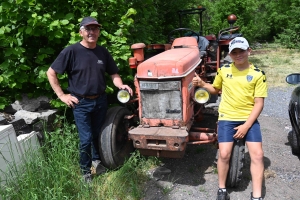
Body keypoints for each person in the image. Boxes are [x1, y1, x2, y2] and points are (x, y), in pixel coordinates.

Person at [46, 16, 133, 183]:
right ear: (81, 32)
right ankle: (85, 172)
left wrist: (121, 85)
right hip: (80, 103)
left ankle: (97, 161)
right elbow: (51, 72)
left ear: (99, 32)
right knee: (85, 139)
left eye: (95, 29)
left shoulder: (102, 52)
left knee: (97, 134)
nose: (91, 32)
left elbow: (113, 73)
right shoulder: (71, 51)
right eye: (88, 29)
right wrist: (62, 95)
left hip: (100, 100)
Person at [193, 37, 267, 200]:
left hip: (249, 120)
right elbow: (215, 89)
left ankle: (257, 196)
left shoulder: (257, 74)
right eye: (234, 52)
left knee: (258, 155)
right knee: (224, 154)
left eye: (241, 51)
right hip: (227, 117)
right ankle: (222, 190)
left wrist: (246, 126)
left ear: (249, 51)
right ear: (230, 54)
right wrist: (202, 84)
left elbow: (259, 104)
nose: (238, 54)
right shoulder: (224, 71)